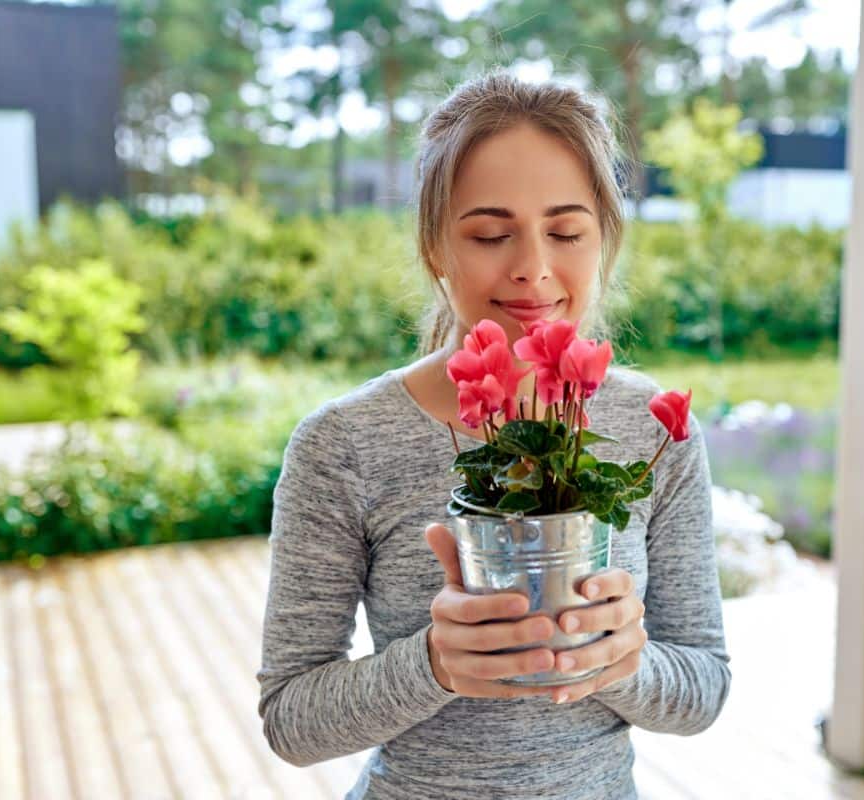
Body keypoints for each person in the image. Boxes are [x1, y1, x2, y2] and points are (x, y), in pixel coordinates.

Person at [256, 68, 731, 800]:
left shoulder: (654, 430)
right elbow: (291, 720)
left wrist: (623, 659)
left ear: (603, 240)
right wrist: (436, 665)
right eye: (489, 233)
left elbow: (702, 686)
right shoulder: (343, 445)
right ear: (435, 247)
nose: (533, 269)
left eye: (566, 230)